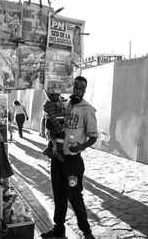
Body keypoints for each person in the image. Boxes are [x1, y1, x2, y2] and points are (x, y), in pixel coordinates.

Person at [41, 76, 98, 239]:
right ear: (71, 88)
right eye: (76, 88)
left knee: (75, 196)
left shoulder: (87, 109)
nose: (78, 91)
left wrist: (81, 146)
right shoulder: (64, 105)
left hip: (73, 163)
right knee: (59, 195)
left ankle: (87, 233)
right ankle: (58, 229)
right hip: (57, 161)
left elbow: (93, 137)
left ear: (84, 91)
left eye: (82, 89)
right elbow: (52, 122)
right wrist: (50, 129)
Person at [42, 92, 66, 162]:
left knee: (56, 136)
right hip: (53, 123)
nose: (55, 96)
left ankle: (50, 150)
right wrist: (58, 125)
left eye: (57, 94)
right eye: (53, 95)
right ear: (48, 95)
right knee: (60, 136)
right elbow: (52, 116)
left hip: (57, 122)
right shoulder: (49, 103)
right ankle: (55, 151)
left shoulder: (56, 101)